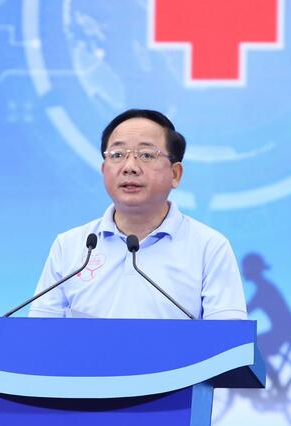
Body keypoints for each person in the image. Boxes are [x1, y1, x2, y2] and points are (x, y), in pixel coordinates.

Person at [28, 109, 246, 320]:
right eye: (117, 155)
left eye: (146, 155)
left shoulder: (209, 247)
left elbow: (229, 339)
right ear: (104, 170)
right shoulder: (70, 246)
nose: (130, 167)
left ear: (175, 174)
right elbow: (38, 334)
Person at [241, 253, 291, 389]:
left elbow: (248, 309)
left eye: (246, 268)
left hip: (285, 330)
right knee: (254, 349)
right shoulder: (264, 287)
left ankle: (277, 388)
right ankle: (273, 386)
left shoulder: (264, 289)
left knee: (253, 350)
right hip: (285, 329)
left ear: (253, 270)